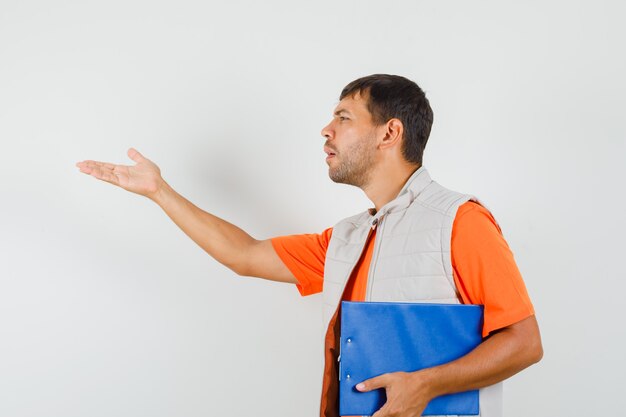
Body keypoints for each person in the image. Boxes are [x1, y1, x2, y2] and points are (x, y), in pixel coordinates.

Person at [76, 74, 543, 417]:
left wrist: (425, 385)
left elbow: (524, 343)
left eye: (343, 117)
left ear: (390, 133)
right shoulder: (347, 237)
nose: (326, 130)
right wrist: (161, 192)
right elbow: (245, 255)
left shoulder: (460, 221)